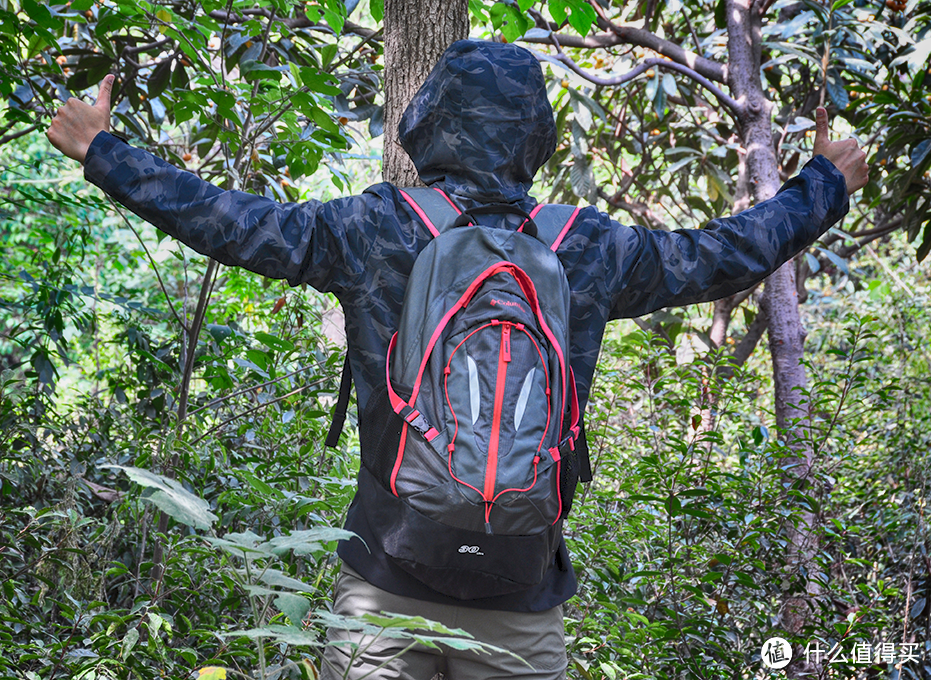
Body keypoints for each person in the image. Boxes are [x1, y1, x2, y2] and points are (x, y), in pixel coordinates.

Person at [48, 39, 867, 680]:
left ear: (429, 122)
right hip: (524, 593)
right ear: (535, 139)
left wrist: (103, 151)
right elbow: (726, 254)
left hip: (383, 585)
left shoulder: (377, 228)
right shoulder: (588, 247)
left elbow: (232, 222)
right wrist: (823, 183)